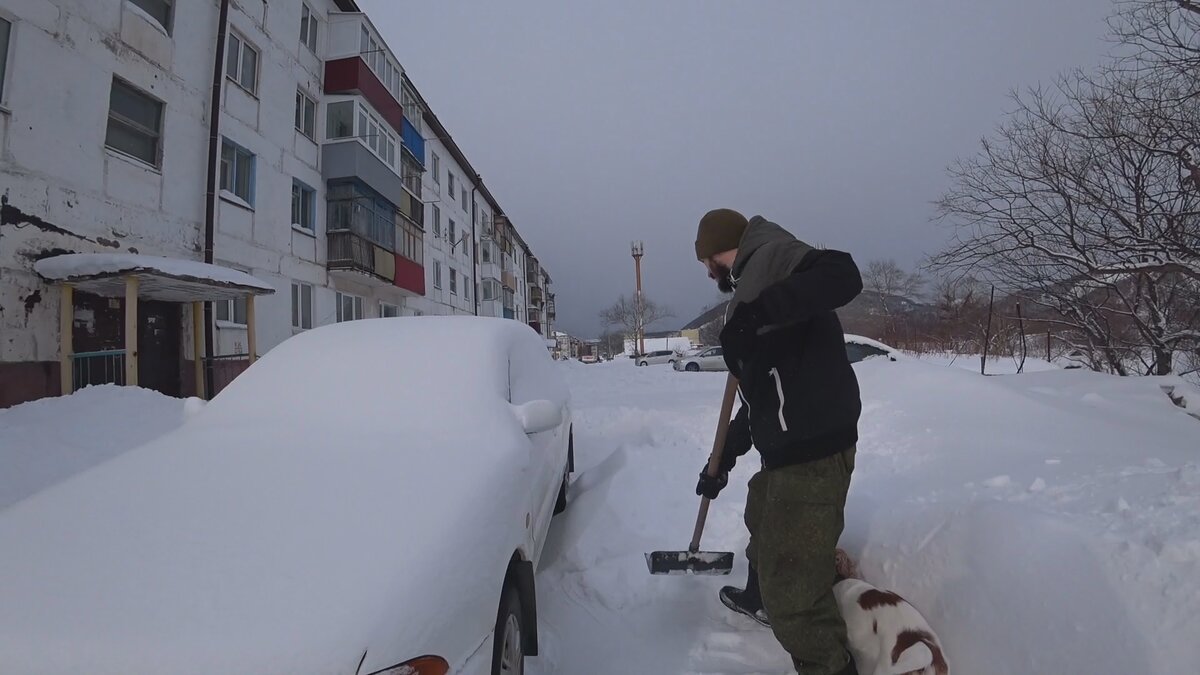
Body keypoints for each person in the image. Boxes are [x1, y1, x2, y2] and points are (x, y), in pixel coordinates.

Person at [692, 208, 863, 675]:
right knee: (759, 512)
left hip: (812, 451)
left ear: (717, 250)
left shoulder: (771, 254)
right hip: (789, 449)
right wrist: (723, 458)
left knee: (796, 598)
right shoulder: (750, 279)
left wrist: (756, 316)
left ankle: (822, 657)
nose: (709, 273)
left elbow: (843, 274)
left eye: (707, 263)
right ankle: (759, 597)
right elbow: (762, 398)